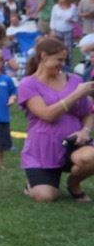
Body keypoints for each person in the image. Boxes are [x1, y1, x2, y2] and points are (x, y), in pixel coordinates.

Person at [17, 36, 94, 203]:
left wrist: (85, 131)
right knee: (45, 197)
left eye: (64, 60)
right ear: (44, 56)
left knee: (91, 157)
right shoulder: (27, 84)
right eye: (58, 59)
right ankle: (33, 183)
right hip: (43, 149)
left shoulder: (75, 80)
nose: (62, 64)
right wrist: (76, 94)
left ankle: (74, 185)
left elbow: (88, 112)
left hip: (72, 143)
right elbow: (47, 115)